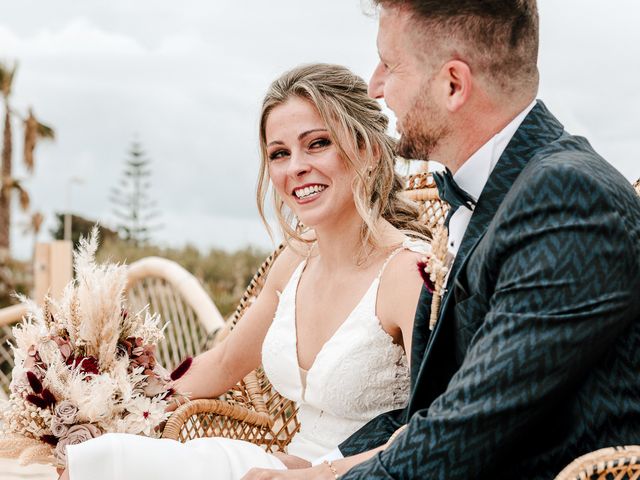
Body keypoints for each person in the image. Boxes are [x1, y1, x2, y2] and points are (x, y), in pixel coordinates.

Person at [242, 1, 640, 479]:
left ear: (453, 84)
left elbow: (469, 426)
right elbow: (433, 404)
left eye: (389, 65)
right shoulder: (496, 193)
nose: (375, 87)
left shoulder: (569, 201)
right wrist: (321, 465)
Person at [60, 63, 432, 480]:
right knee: (99, 456)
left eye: (318, 144)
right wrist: (105, 398)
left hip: (353, 474)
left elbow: (433, 431)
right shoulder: (293, 263)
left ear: (370, 151)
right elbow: (221, 364)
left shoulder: (410, 275)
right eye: (279, 154)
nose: (295, 168)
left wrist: (314, 474)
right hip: (276, 468)